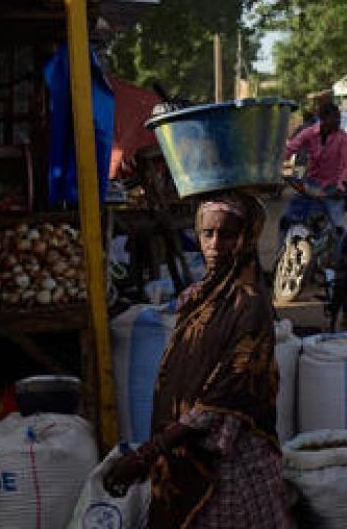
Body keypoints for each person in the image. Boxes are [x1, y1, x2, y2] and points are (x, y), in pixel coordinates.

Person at [104, 192, 288, 528]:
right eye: (207, 234)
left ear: (246, 239)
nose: (216, 244)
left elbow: (227, 393)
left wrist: (150, 452)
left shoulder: (251, 305)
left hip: (229, 458)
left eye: (228, 234)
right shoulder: (196, 296)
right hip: (182, 450)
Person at [284, 101, 347, 228]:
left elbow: (346, 165)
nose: (338, 121)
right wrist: (275, 162)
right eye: (334, 118)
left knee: (337, 226)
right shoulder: (307, 132)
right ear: (322, 118)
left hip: (333, 187)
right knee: (288, 220)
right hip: (310, 182)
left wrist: (341, 186)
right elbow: (290, 148)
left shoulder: (343, 137)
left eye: (339, 118)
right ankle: (283, 247)